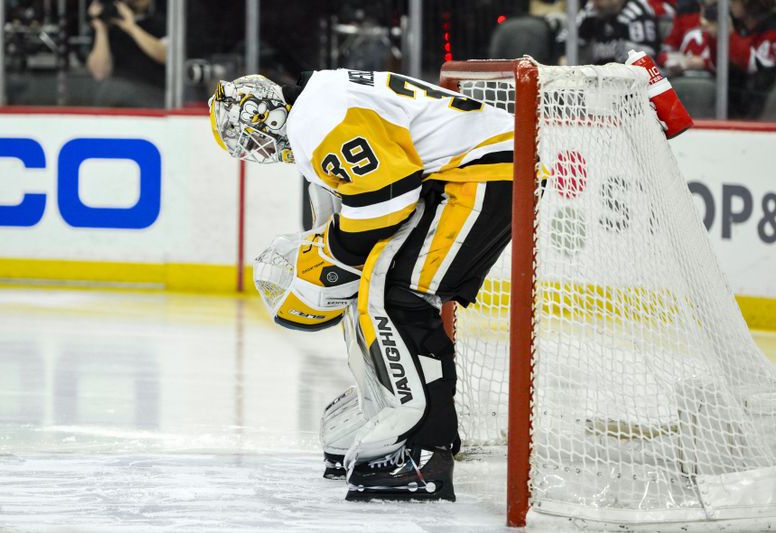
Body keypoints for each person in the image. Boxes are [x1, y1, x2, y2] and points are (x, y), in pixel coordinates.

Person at [208, 70, 514, 501]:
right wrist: (334, 253)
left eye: (252, 138)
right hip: (471, 172)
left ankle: (424, 452)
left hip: (485, 174)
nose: (261, 150)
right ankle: (394, 414)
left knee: (397, 296)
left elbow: (386, 198)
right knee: (376, 286)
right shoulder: (322, 101)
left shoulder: (315, 118)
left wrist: (330, 257)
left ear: (269, 117)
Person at [86, 0, 167, 107]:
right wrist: (101, 30)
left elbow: (166, 56)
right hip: (115, 101)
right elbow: (100, 73)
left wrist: (132, 28)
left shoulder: (160, 23)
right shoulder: (109, 28)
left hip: (153, 97)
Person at [572, 0, 662, 64]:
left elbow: (647, 58)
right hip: (597, 79)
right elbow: (566, 42)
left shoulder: (637, 11)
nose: (594, 3)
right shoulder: (592, 10)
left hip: (631, 81)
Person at [728, 0, 776, 118]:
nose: (730, 5)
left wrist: (730, 35)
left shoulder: (771, 28)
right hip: (740, 96)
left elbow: (753, 65)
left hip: (758, 99)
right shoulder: (740, 24)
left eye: (734, 2)